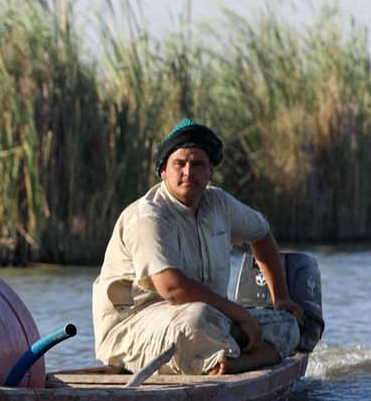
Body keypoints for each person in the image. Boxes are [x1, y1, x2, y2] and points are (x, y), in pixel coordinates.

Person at [92, 119, 304, 376]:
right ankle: (233, 358)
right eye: (179, 164)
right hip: (133, 332)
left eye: (198, 164)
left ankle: (236, 364)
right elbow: (172, 288)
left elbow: (261, 234)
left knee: (287, 324)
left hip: (211, 321)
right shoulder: (148, 216)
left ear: (210, 172)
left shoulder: (219, 203)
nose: (188, 172)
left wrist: (280, 297)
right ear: (163, 172)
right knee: (198, 318)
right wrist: (239, 314)